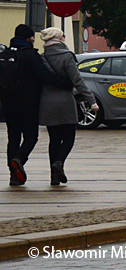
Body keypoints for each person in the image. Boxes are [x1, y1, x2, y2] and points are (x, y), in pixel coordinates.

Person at [2, 24, 70, 185]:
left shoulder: (5, 54)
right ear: (28, 38)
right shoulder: (30, 55)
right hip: (28, 104)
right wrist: (65, 84)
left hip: (7, 104)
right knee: (31, 136)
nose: (33, 39)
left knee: (13, 138)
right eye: (32, 37)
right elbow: (44, 75)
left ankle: (13, 175)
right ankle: (19, 159)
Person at [37, 27, 97, 186]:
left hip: (47, 102)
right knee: (69, 136)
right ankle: (60, 162)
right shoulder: (66, 56)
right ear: (59, 39)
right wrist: (91, 100)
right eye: (63, 36)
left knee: (54, 139)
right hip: (65, 102)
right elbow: (78, 81)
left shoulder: (42, 58)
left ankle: (54, 177)